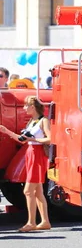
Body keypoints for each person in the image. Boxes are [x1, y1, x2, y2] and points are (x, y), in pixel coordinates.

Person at [0, 96, 52, 232]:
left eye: (26, 106)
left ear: (33, 107)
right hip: (30, 152)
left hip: (37, 153)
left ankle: (31, 222)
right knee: (38, 190)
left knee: (28, 190)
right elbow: (22, 140)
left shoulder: (43, 121)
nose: (24, 108)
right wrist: (7, 131)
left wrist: (34, 139)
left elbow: (50, 138)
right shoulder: (32, 122)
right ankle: (45, 221)